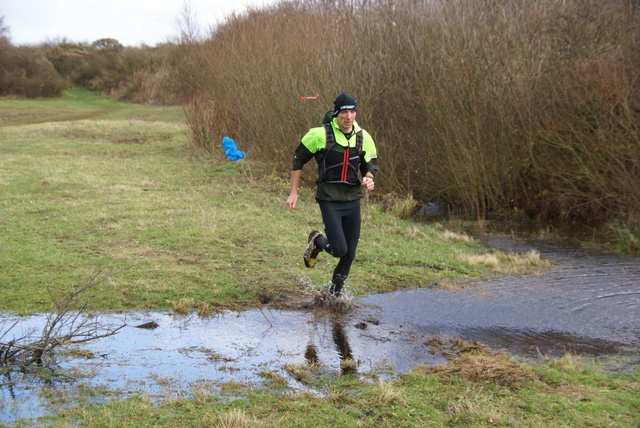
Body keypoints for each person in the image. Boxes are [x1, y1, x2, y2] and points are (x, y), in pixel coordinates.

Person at [286, 93, 378, 297]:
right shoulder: (319, 135)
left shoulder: (363, 136)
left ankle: (333, 297)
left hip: (352, 199)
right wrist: (294, 192)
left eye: (352, 111)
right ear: (337, 113)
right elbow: (298, 159)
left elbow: (370, 163)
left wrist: (369, 176)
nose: (349, 116)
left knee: (350, 255)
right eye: (344, 112)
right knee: (339, 249)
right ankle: (317, 241)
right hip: (329, 199)